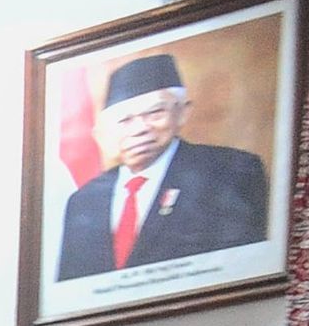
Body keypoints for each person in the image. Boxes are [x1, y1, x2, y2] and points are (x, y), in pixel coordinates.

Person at [56, 51, 269, 281]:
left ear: (182, 112)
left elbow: (242, 268)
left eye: (155, 113)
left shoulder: (231, 172)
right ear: (105, 130)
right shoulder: (84, 201)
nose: (139, 129)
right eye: (125, 120)